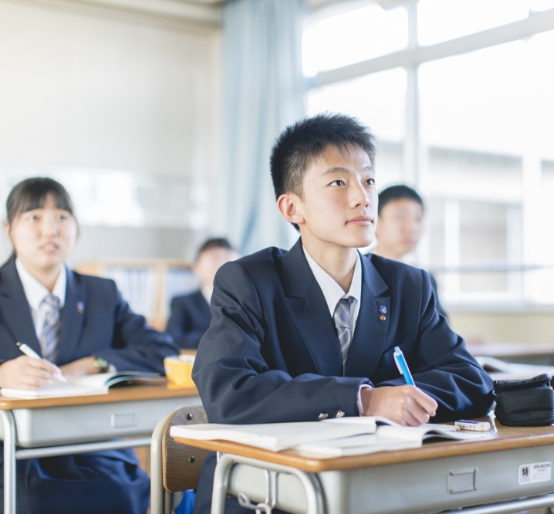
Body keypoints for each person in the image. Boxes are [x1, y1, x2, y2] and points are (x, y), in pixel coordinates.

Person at [191, 113, 494, 513]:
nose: (361, 197)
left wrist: (403, 400)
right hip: (268, 489)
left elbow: (471, 381)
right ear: (291, 207)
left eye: (368, 180)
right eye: (338, 182)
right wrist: (365, 400)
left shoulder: (410, 285)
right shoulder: (248, 281)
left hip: (380, 484)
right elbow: (228, 394)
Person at [0, 177, 179, 514]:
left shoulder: (101, 293)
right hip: (11, 449)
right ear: (9, 229)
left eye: (62, 217)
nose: (50, 230)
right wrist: (3, 373)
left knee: (140, 494)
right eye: (34, 217)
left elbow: (162, 350)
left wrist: (93, 363)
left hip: (92, 444)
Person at [373, 185, 447, 317]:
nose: (411, 227)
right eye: (400, 217)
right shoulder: (357, 273)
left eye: (417, 219)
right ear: (375, 222)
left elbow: (441, 334)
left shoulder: (425, 281)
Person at [166, 237, 238, 349]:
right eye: (214, 258)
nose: (221, 263)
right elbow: (173, 338)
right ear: (196, 267)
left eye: (227, 258)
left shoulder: (245, 303)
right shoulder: (183, 302)